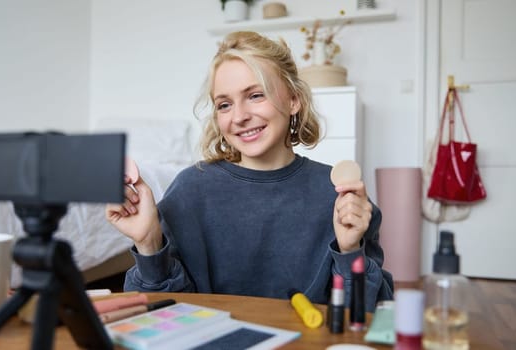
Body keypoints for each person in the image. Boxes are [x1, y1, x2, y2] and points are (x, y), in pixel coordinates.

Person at [105, 31, 393, 312]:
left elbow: (369, 314)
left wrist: (350, 250)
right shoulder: (190, 190)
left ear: (294, 100)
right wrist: (148, 242)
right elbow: (159, 312)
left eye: (256, 95)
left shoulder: (338, 195)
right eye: (225, 104)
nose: (240, 116)